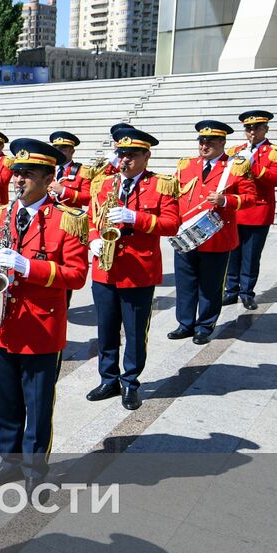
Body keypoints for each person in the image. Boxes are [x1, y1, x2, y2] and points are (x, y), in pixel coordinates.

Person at [0, 138, 89, 494]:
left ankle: (34, 466)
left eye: (27, 174)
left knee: (37, 405)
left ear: (47, 177)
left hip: (41, 327)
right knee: (5, 400)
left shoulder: (67, 220)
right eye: (16, 173)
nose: (17, 180)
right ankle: (9, 460)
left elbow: (77, 275)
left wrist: (30, 267)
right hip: (0, 325)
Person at [85, 128, 179, 410]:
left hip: (138, 269)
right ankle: (108, 378)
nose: (124, 160)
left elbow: (172, 224)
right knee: (106, 327)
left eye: (131, 155)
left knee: (136, 331)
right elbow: (92, 218)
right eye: (121, 154)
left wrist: (135, 218)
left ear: (146, 156)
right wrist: (93, 241)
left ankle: (131, 382)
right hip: (105, 268)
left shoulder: (161, 184)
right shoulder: (103, 184)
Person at [170, 120, 256, 345]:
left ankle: (205, 325)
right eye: (201, 141)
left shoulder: (235, 166)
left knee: (210, 285)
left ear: (222, 143)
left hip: (217, 237)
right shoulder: (185, 165)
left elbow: (250, 198)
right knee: (185, 282)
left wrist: (226, 200)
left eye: (210, 142)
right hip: (186, 235)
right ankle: (185, 323)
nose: (204, 146)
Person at [225, 110, 277, 310]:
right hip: (236, 208)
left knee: (251, 255)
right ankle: (230, 290)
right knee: (232, 254)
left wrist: (253, 166)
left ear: (265, 129)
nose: (252, 131)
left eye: (256, 128)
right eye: (248, 128)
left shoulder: (276, 152)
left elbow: (275, 179)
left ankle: (246, 292)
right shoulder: (236, 150)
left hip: (258, 210)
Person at [47, 131, 95, 207]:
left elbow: (88, 199)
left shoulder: (83, 171)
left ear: (72, 151)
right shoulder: (47, 170)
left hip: (69, 216)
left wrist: (63, 191)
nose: (59, 152)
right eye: (56, 149)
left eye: (63, 149)